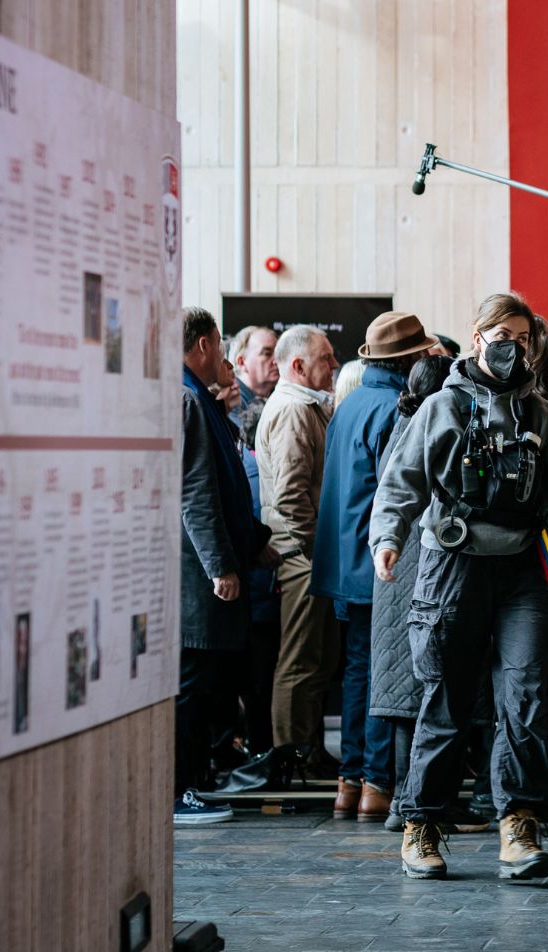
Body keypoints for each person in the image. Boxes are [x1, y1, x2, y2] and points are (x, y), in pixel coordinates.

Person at [370, 292, 548, 882]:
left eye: (523, 337)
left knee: (527, 694)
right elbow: (400, 483)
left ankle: (519, 822)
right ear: (477, 336)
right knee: (445, 700)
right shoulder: (441, 408)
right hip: (452, 566)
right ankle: (422, 824)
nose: (513, 345)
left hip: (524, 572)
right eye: (501, 333)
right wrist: (388, 538)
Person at [312, 311, 440, 821]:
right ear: (408, 359)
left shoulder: (349, 405)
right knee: (388, 675)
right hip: (379, 562)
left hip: (343, 561)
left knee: (357, 671)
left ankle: (349, 782)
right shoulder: (395, 409)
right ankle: (377, 784)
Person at [368, 356, 492, 836]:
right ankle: (415, 801)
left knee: (412, 696)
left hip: (398, 582)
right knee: (429, 694)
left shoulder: (402, 425)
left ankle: (411, 799)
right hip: (424, 577)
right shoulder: (429, 430)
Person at [177, 308, 276, 826]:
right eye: (219, 346)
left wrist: (256, 545)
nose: (225, 358)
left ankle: (196, 782)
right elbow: (196, 494)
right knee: (192, 686)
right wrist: (221, 566)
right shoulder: (189, 400)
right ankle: (179, 792)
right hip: (196, 577)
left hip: (214, 567)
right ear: (201, 346)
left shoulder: (206, 402)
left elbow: (231, 489)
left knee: (206, 686)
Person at [256, 324, 342, 782]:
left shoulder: (307, 407)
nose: (333, 365)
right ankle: (292, 759)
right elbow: (291, 497)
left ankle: (308, 752)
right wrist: (316, 549)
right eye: (326, 358)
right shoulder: (294, 410)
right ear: (297, 366)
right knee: (301, 660)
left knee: (320, 659)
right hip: (302, 556)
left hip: (308, 553)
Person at [229, 325, 279, 440]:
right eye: (267, 353)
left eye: (278, 354)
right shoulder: (230, 402)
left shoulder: (276, 398)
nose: (276, 361)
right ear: (242, 362)